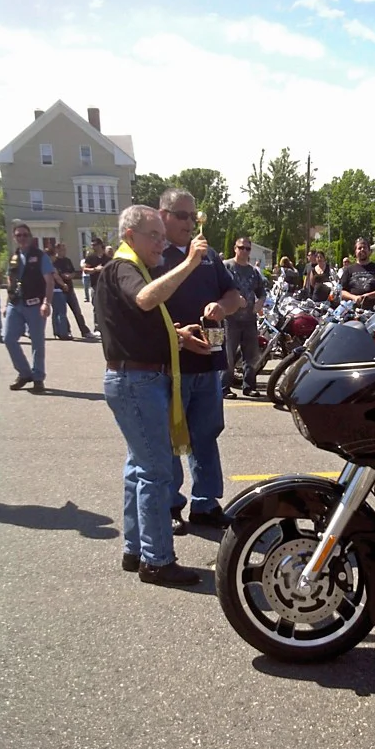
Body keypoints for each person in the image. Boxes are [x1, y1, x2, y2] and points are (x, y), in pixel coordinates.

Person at [95, 204, 209, 586]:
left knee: (138, 468)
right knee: (156, 472)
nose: (162, 242)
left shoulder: (131, 267)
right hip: (137, 382)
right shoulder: (122, 268)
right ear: (130, 237)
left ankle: (136, 549)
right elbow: (145, 299)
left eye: (163, 235)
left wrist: (177, 336)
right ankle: (157, 560)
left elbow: (135, 324)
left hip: (135, 380)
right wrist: (191, 262)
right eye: (155, 236)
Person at [158, 187, 243, 535]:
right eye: (181, 215)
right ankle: (170, 503)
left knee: (206, 434)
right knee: (170, 438)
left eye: (193, 216)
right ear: (162, 215)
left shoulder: (209, 256)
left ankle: (206, 503)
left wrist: (222, 307)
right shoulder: (154, 256)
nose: (190, 222)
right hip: (170, 365)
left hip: (208, 363)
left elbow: (236, 295)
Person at [4, 223, 54, 393]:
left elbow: (49, 281)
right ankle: (25, 373)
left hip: (35, 305)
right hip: (15, 304)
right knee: (8, 338)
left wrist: (46, 303)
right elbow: (10, 280)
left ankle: (38, 377)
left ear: (30, 237)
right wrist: (6, 304)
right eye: (19, 235)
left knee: (37, 342)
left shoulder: (40, 256)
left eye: (25, 235)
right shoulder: (13, 257)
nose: (22, 238)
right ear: (14, 238)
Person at [221, 237, 266, 399]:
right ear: (235, 248)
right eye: (241, 248)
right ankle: (224, 387)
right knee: (228, 355)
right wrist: (233, 299)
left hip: (249, 320)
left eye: (248, 249)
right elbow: (218, 288)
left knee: (251, 356)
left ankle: (249, 386)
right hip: (230, 319)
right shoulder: (226, 267)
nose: (244, 251)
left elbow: (262, 292)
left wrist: (259, 303)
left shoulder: (253, 271)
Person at [53, 243, 94, 338]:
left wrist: (71, 275)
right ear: (57, 250)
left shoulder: (67, 260)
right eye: (62, 249)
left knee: (77, 311)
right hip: (60, 290)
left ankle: (85, 331)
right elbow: (56, 274)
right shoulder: (54, 261)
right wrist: (63, 276)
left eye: (64, 249)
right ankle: (67, 331)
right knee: (63, 313)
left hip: (70, 289)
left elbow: (73, 272)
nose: (64, 251)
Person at [340, 238, 375, 310]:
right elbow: (342, 291)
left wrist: (369, 296)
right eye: (359, 248)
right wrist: (354, 298)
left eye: (365, 247)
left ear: (369, 251)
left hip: (374, 311)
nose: (362, 250)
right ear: (355, 252)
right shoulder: (349, 270)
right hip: (353, 311)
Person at [83, 237, 110, 332]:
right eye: (92, 245)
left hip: (106, 286)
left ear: (100, 245)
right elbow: (85, 270)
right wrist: (95, 269)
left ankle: (107, 326)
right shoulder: (90, 257)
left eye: (94, 245)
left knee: (107, 306)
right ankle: (97, 327)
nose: (93, 247)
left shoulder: (107, 258)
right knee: (96, 306)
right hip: (95, 285)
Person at [48, 248, 72, 340]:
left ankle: (56, 331)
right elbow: (56, 277)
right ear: (51, 256)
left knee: (55, 312)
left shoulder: (42, 266)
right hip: (57, 290)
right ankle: (63, 333)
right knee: (62, 312)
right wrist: (64, 284)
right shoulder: (50, 266)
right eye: (54, 255)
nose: (55, 257)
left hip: (50, 291)